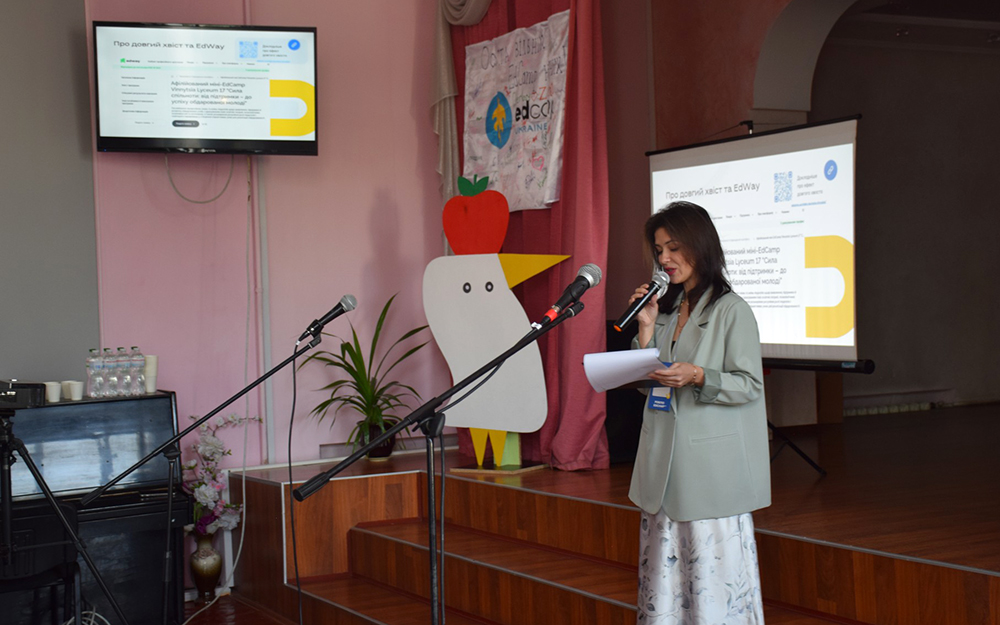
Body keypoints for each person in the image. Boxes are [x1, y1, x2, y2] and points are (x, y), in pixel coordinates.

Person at [627, 201, 770, 624]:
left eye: (674, 247)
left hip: (710, 476)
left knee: (713, 587)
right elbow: (648, 375)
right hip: (664, 469)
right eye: (659, 250)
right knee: (666, 587)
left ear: (700, 245)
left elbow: (750, 384)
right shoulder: (668, 310)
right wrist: (647, 327)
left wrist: (699, 375)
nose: (665, 259)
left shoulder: (731, 310)